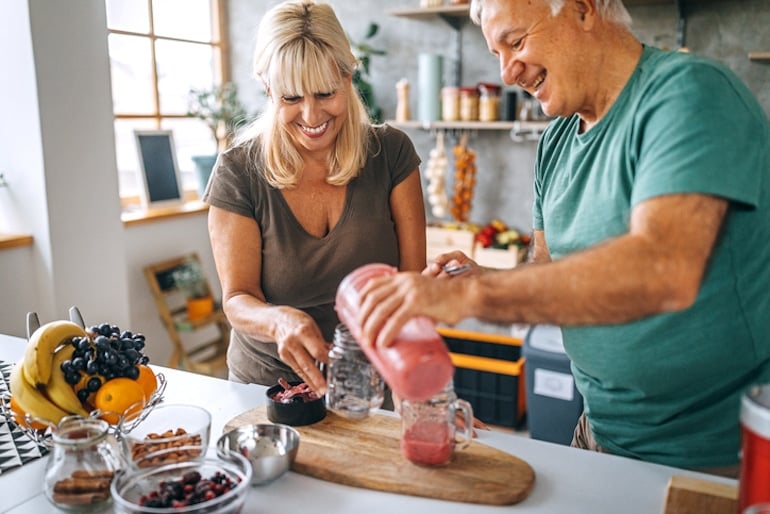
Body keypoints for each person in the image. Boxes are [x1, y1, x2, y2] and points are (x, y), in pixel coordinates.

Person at [354, 0, 770, 476]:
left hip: (712, 455)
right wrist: (476, 277)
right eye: (496, 52)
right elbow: (549, 270)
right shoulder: (556, 142)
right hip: (599, 433)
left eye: (516, 41)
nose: (508, 73)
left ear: (583, 9)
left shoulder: (689, 94)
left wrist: (476, 293)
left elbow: (662, 271)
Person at [203, 0, 426, 396]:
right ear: (268, 88)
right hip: (268, 388)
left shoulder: (390, 153)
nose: (310, 116)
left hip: (370, 382)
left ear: (348, 74)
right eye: (291, 98)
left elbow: (411, 287)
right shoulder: (238, 172)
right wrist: (278, 322)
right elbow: (237, 298)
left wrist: (424, 391)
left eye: (325, 93)